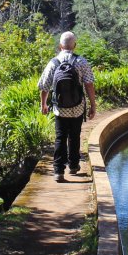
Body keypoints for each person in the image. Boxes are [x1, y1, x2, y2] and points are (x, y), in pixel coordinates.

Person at [38, 32, 96, 182]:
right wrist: (93, 105)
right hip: (77, 107)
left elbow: (44, 85)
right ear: (74, 45)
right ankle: (74, 166)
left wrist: (43, 104)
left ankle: (58, 171)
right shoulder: (81, 62)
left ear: (60, 46)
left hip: (59, 108)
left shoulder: (54, 62)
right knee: (74, 135)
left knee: (60, 137)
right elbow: (89, 84)